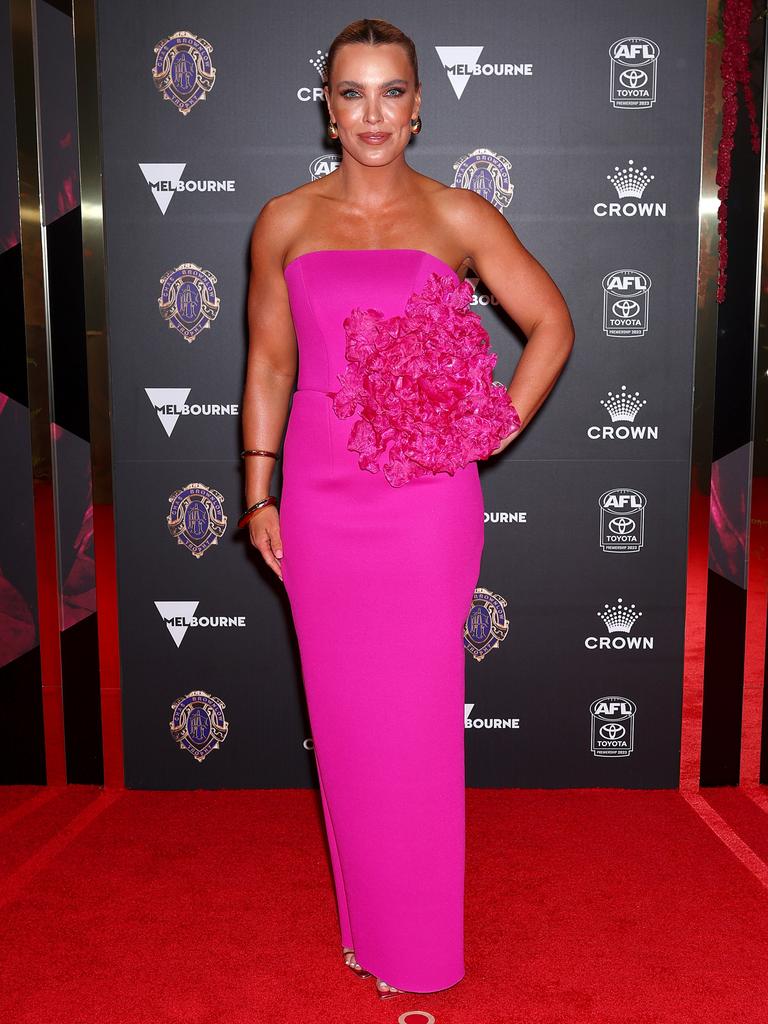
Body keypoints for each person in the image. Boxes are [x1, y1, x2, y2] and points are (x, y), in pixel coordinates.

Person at [239, 17, 574, 1000]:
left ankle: (420, 944)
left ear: (419, 107)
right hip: (320, 492)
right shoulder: (284, 220)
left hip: (426, 498)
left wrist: (501, 419)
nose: (373, 113)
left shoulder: (460, 215)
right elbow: (267, 360)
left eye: (392, 92)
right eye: (354, 93)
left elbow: (552, 321)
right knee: (341, 714)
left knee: (419, 716)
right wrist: (258, 488)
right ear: (329, 108)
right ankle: (367, 924)